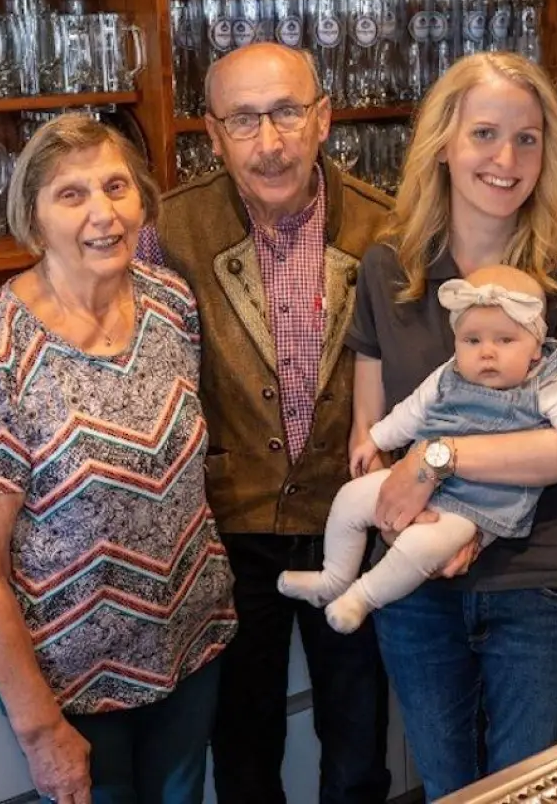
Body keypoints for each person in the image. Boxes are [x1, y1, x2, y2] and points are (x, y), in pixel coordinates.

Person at [0, 113, 236, 804]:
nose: (103, 213)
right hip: (74, 688)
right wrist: (40, 730)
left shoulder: (171, 303)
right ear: (34, 219)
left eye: (116, 187)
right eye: (71, 195)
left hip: (191, 647)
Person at [345, 51, 557, 801]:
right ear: (443, 144)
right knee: (448, 788)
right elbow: (368, 442)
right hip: (417, 587)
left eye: (528, 139)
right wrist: (419, 530)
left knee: (529, 791)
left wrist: (439, 458)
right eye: (485, 134)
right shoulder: (389, 266)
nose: (506, 160)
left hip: (541, 583)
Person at [142, 42, 393, 804]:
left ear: (324, 119)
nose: (270, 142)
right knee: (244, 749)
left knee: (357, 744)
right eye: (244, 120)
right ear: (212, 136)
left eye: (287, 112)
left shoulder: (389, 225)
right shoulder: (169, 229)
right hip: (228, 529)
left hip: (352, 518)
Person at [280, 264, 557, 633]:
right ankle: (333, 579)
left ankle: (362, 598)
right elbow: (410, 412)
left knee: (422, 547)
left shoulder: (547, 393)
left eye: (505, 340)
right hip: (416, 483)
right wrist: (376, 439)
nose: (487, 352)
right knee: (350, 498)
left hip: (477, 508)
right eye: (472, 340)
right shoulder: (447, 376)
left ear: (536, 348)